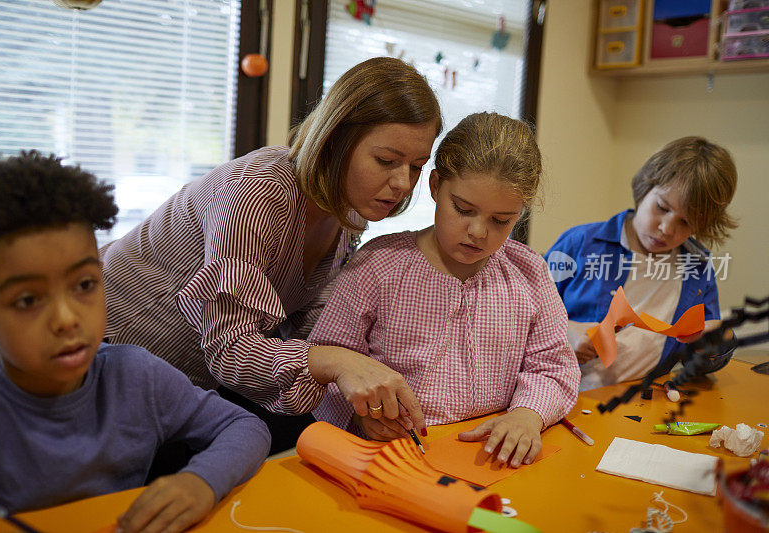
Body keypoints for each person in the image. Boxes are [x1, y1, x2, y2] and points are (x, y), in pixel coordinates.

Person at [100, 57, 441, 453]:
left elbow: (305, 332)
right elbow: (231, 349)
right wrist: (337, 363)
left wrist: (352, 389)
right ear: (334, 140)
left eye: (416, 167)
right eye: (386, 161)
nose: (402, 183)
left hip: (188, 387)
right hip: (112, 355)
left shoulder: (347, 215)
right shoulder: (257, 193)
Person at [0, 151, 271, 530]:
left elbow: (244, 427)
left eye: (84, 285)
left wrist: (200, 482)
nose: (66, 319)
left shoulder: (135, 375)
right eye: (28, 300)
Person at [310, 113, 580, 469]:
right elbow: (327, 363)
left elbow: (554, 366)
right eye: (464, 209)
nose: (479, 232)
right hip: (391, 457)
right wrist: (360, 416)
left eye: (502, 220)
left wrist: (528, 416)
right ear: (436, 185)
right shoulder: (379, 265)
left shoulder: (528, 273)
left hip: (491, 457)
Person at [544, 136, 738, 391]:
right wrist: (567, 332)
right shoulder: (580, 244)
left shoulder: (697, 268)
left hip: (638, 403)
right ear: (645, 187)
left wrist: (719, 338)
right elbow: (520, 316)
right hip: (561, 395)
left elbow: (702, 363)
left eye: (686, 222)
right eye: (662, 207)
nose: (666, 229)